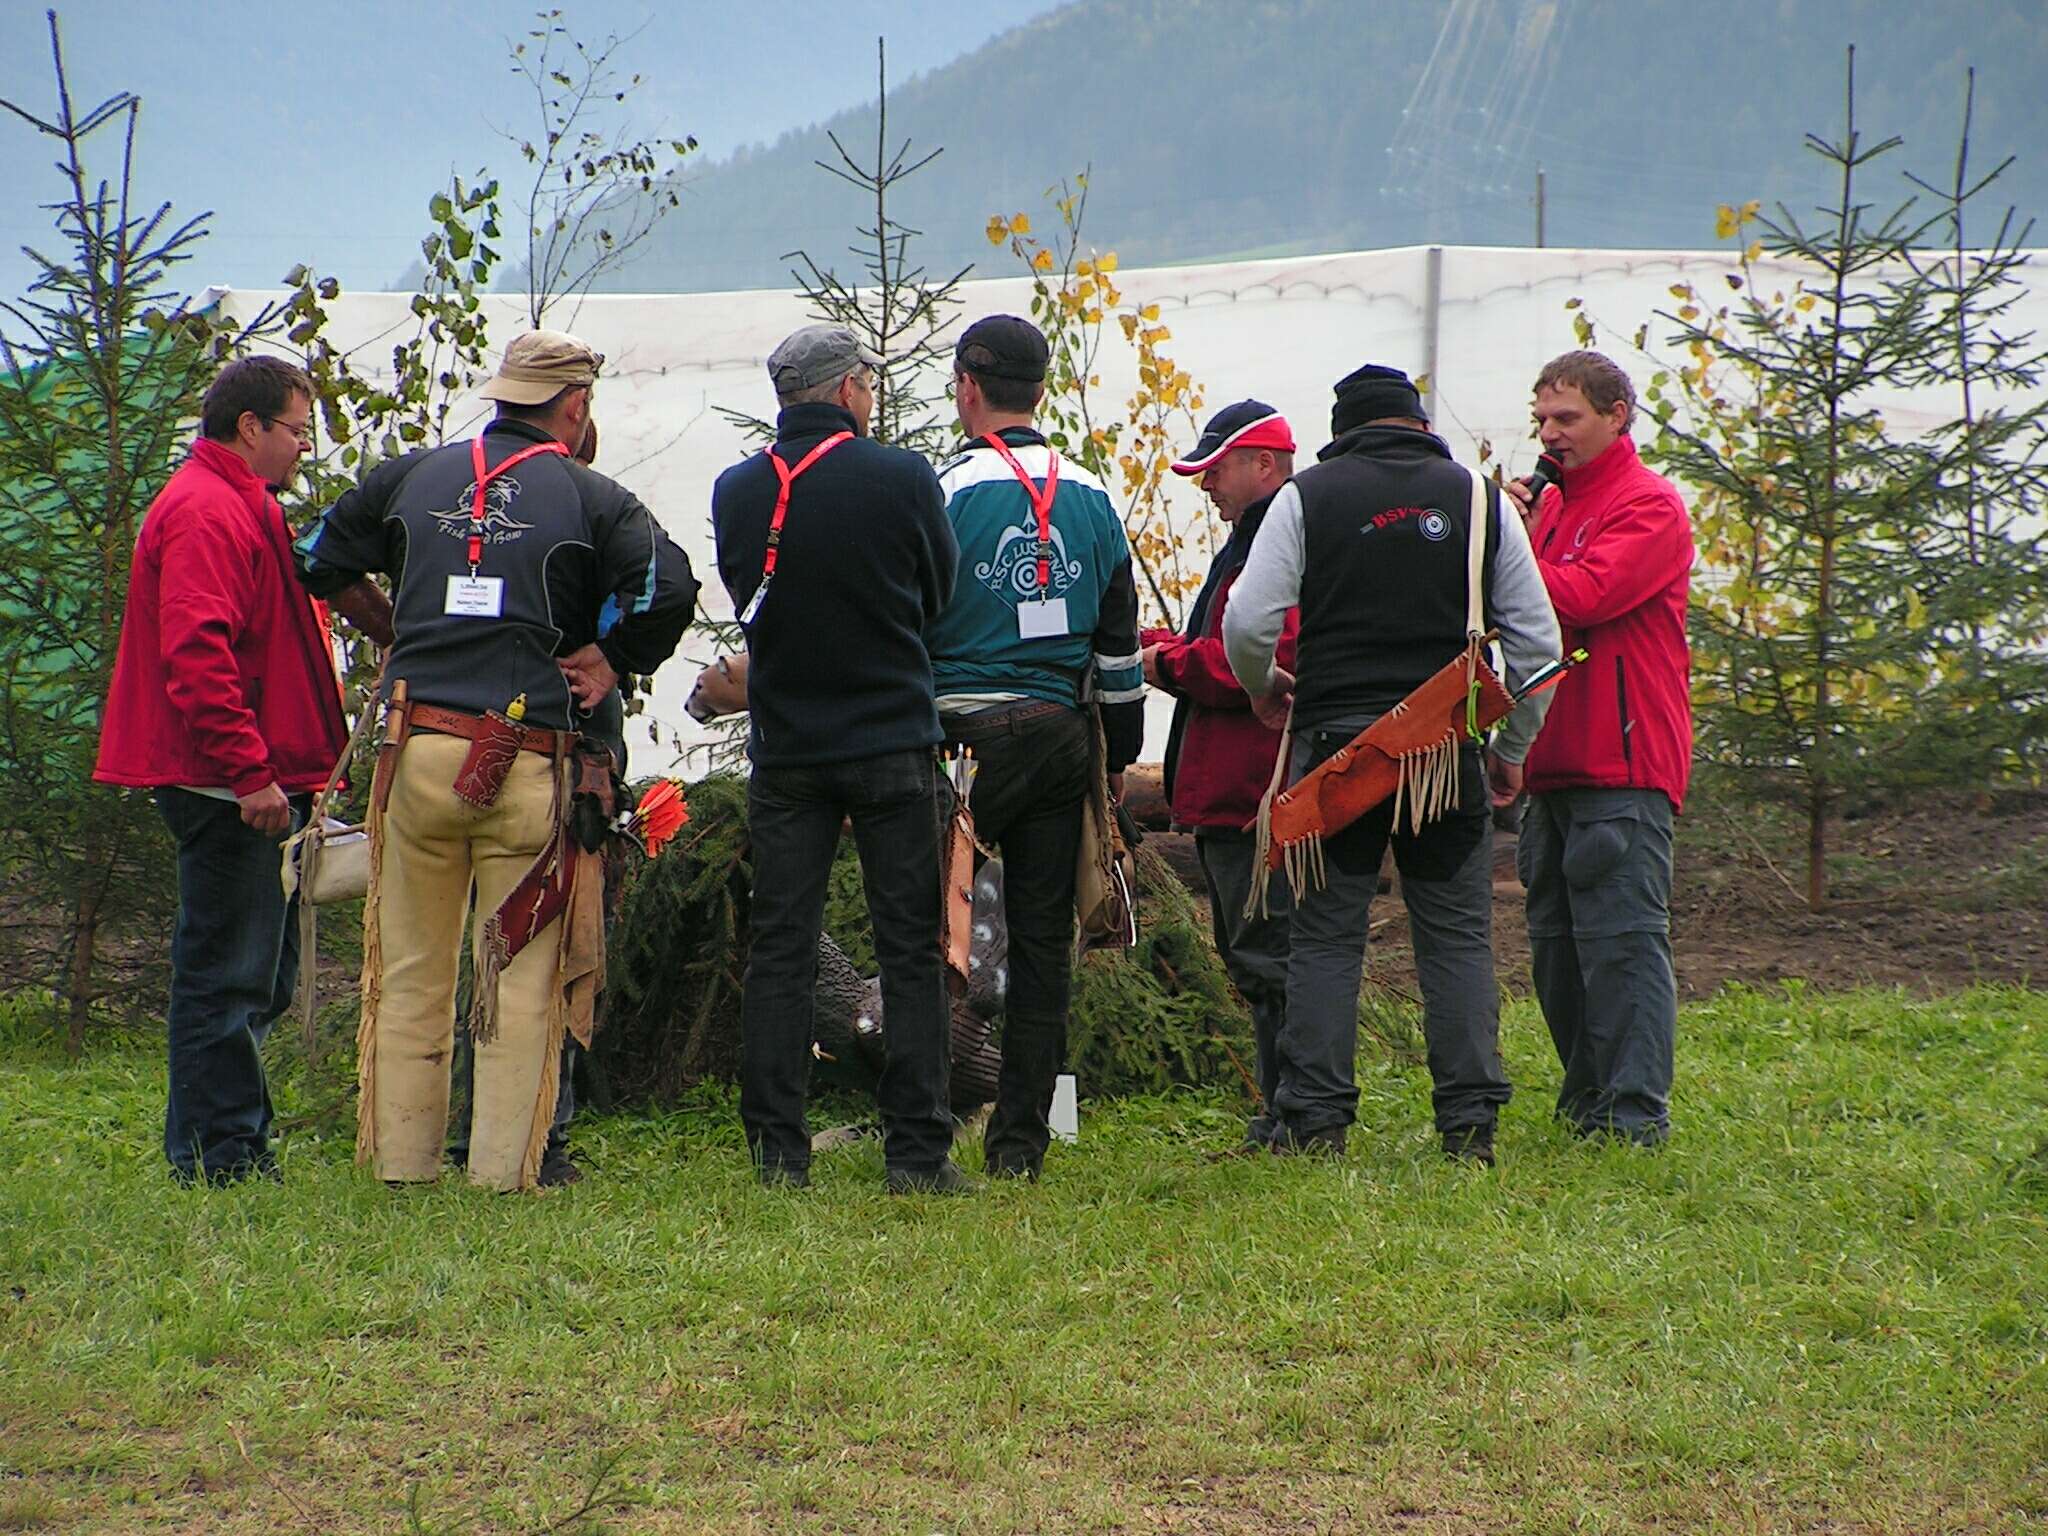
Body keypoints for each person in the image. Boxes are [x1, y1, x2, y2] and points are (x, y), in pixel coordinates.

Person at [294, 329, 697, 1192]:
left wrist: (397, 632)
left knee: (411, 974)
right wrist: (609, 660)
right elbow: (669, 586)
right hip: (529, 763)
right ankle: (504, 1173)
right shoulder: (593, 495)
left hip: (418, 754)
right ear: (575, 406)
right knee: (515, 977)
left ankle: (403, 1167)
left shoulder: (410, 476)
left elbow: (317, 556)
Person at [1224, 364, 1560, 1165]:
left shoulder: (1305, 497)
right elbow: (1539, 645)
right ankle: (1469, 1128)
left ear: (1342, 433)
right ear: (1419, 425)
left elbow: (1247, 621)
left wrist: (1263, 685)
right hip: (1444, 753)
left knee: (1325, 938)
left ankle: (1317, 1125)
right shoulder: (1479, 499)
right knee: (1457, 940)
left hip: (1339, 755)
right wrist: (1510, 751)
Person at [710, 324, 966, 1194]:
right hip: (891, 736)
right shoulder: (902, 477)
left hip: (789, 747)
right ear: (850, 389)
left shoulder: (738, 488)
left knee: (781, 948)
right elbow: (939, 593)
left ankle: (777, 1156)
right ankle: (917, 1155)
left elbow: (746, 595)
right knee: (911, 949)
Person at [95, 356, 352, 1184]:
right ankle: (218, 1158)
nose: (305, 447)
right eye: (297, 431)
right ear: (250, 427)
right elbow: (198, 655)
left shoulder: (248, 503)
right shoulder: (207, 510)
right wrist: (249, 773)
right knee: (227, 976)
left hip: (255, 777)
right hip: (224, 784)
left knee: (261, 976)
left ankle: (232, 1140)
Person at [925, 314, 1145, 1180]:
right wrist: (1117, 757)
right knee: (1045, 943)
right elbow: (1119, 649)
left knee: (931, 933)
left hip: (958, 745)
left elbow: (908, 620)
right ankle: (1021, 1145)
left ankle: (921, 1133)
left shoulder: (941, 490)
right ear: (1042, 390)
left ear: (967, 388)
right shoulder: (1094, 496)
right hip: (1059, 737)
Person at [1504, 350, 1692, 1144]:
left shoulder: (1650, 506)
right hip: (1551, 761)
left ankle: (1634, 1114)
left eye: (1567, 418)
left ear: (1618, 416)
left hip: (1623, 762)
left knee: (1621, 946)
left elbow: (1584, 596)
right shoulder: (1550, 508)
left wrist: (1512, 553)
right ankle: (1587, 1102)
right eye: (1542, 419)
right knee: (1556, 949)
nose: (1550, 434)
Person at [1140, 400, 1301, 1151]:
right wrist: (1158, 642)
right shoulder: (1250, 542)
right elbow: (1225, 645)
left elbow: (1260, 664)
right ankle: (1283, 1109)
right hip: (1231, 789)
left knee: (1269, 956)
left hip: (1253, 789)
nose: (1205, 485)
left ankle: (1294, 1113)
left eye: (1216, 470)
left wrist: (1164, 662)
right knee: (1255, 955)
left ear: (1264, 463)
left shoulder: (1279, 544)